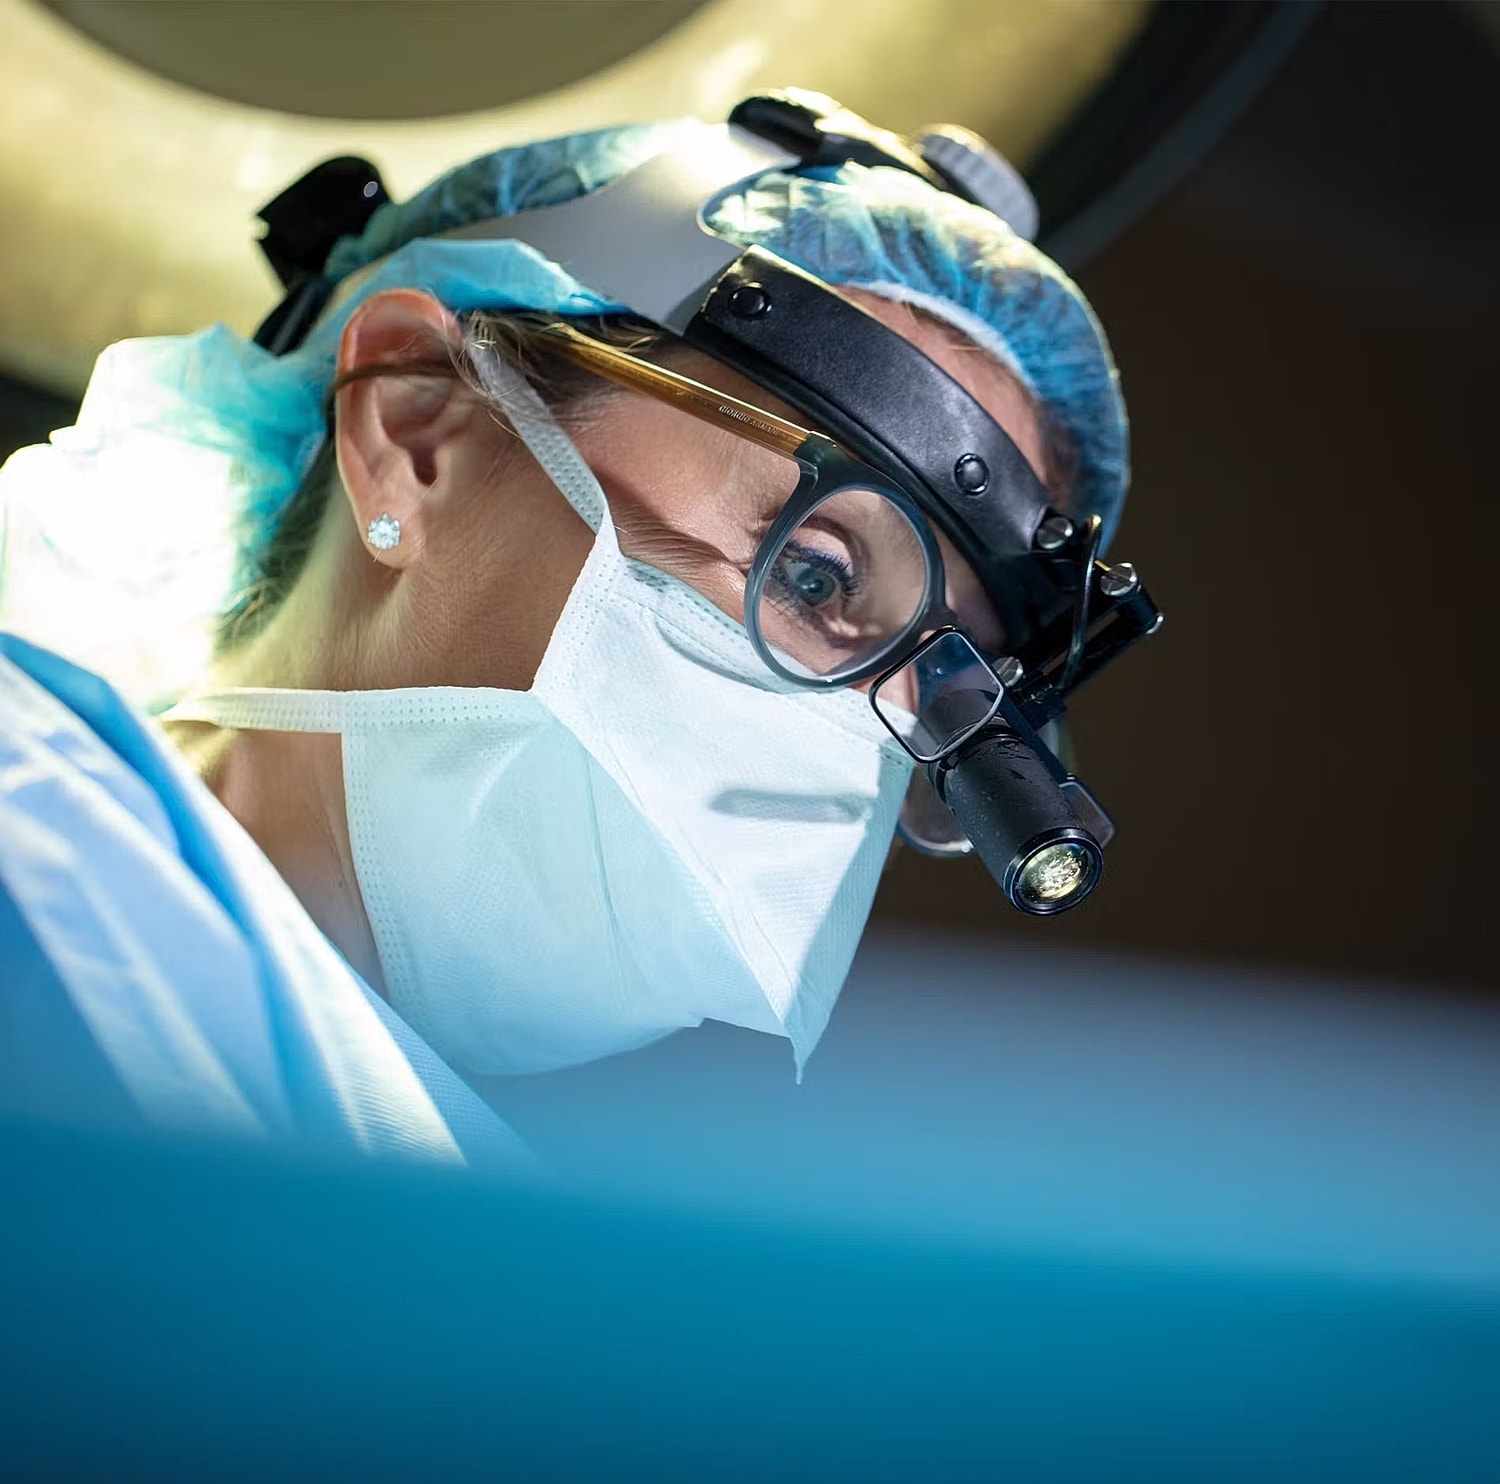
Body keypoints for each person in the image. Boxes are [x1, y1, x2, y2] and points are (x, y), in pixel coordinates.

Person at [0, 102, 1127, 1165]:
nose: (854, 736)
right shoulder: (32, 826)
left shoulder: (488, 1282)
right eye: (814, 571)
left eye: (933, 690)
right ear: (416, 429)